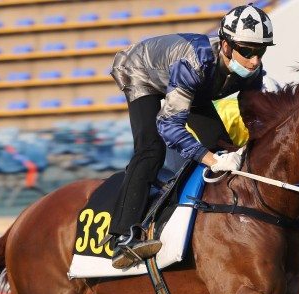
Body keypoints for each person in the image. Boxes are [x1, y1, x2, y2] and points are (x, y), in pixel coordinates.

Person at [107, 3, 275, 269]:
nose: (254, 60)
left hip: (194, 85)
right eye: (247, 51)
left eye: (261, 51)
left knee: (221, 145)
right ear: (227, 46)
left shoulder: (251, 70)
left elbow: (254, 113)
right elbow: (170, 126)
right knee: (151, 149)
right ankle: (122, 237)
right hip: (140, 70)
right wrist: (211, 160)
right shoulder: (195, 62)